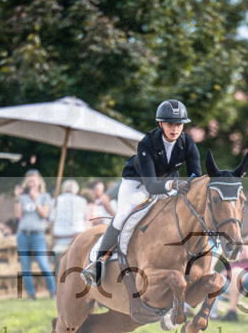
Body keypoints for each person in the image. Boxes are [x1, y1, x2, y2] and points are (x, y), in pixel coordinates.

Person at [81, 99, 201, 286]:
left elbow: (196, 174)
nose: (175, 129)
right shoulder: (147, 143)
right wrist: (173, 185)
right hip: (137, 183)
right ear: (160, 124)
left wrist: (192, 183)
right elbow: (151, 186)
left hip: (168, 183)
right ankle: (97, 262)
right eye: (170, 124)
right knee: (123, 216)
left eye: (179, 124)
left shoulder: (188, 144)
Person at [14, 171, 58, 299]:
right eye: (29, 180)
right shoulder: (22, 197)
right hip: (23, 235)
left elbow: (45, 214)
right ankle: (31, 294)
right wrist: (17, 198)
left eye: (34, 180)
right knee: (25, 265)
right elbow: (17, 215)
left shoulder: (45, 196)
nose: (31, 182)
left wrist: (35, 200)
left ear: (39, 182)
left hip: (38, 235)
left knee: (43, 263)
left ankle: (53, 292)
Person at [220, 230, 248, 322]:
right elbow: (223, 273)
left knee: (235, 272)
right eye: (240, 249)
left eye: (245, 248)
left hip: (238, 288)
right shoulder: (235, 262)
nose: (243, 250)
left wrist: (242, 240)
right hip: (223, 285)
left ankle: (232, 312)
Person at [51, 179, 88, 265]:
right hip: (77, 240)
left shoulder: (55, 201)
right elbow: (86, 219)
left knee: (60, 270)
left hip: (60, 241)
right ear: (76, 190)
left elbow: (51, 221)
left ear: (63, 189)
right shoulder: (82, 201)